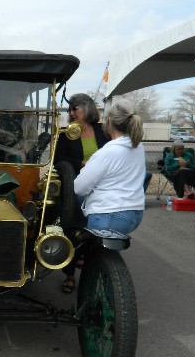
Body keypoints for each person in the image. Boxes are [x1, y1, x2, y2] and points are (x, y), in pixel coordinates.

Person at [54, 93, 109, 293]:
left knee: (97, 232)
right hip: (75, 187)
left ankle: (96, 272)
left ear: (86, 109)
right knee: (73, 229)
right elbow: (58, 160)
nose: (71, 112)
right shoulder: (66, 133)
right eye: (70, 109)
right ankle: (70, 275)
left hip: (101, 188)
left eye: (74, 108)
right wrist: (82, 164)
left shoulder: (103, 131)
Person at [74, 98, 146, 233]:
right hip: (135, 213)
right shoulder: (138, 147)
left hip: (109, 214)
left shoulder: (107, 152)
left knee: (98, 254)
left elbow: (79, 188)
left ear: (109, 121)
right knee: (110, 252)